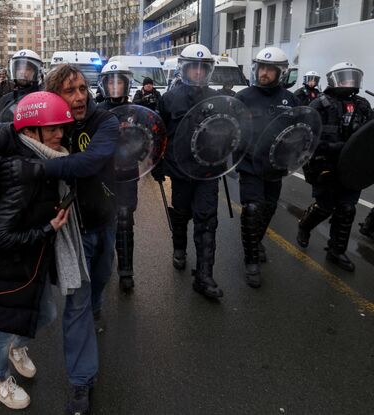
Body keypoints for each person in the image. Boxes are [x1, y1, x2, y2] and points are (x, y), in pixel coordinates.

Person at [0, 64, 119, 415]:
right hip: (55, 237)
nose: (78, 98)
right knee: (54, 307)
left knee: (84, 298)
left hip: (96, 225)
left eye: (82, 89)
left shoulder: (104, 121)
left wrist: (35, 168)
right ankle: (81, 384)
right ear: (50, 98)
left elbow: (89, 162)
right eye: (68, 91)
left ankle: (76, 327)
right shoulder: (33, 129)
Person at [0, 92, 75, 410]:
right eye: (52, 129)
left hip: (28, 265)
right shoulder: (23, 175)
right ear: (30, 132)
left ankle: (19, 348)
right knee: (4, 329)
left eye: (61, 128)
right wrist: (48, 229)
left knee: (46, 313)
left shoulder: (40, 161)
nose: (60, 134)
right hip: (5, 270)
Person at [152, 43, 223, 299]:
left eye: (203, 67)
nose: (198, 72)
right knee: (181, 214)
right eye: (193, 67)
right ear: (184, 68)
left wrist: (226, 154)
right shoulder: (169, 98)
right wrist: (156, 163)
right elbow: (158, 135)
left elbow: (227, 131)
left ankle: (204, 276)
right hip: (180, 170)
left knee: (207, 220)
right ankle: (179, 248)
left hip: (207, 171)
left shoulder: (217, 97)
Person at [296, 62, 373, 271]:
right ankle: (304, 226)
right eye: (344, 77)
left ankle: (336, 251)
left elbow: (369, 136)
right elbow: (307, 137)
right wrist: (335, 147)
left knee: (347, 209)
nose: (349, 81)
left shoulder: (363, 105)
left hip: (352, 168)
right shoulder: (320, 105)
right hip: (325, 165)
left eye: (352, 77)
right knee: (324, 207)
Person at [235, 47, 300, 288]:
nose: (264, 73)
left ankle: (256, 240)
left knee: (268, 208)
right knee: (252, 208)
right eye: (261, 68)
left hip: (276, 166)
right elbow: (232, 128)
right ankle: (251, 260)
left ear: (280, 73)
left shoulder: (290, 100)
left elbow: (300, 130)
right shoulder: (243, 97)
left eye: (269, 70)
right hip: (250, 165)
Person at [96, 61, 137, 292]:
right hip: (103, 175)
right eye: (110, 81)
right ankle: (103, 268)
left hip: (128, 174)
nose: (114, 86)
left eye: (119, 81)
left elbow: (147, 142)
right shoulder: (97, 111)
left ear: (126, 84)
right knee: (102, 221)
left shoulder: (136, 110)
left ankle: (126, 271)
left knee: (124, 220)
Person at [0, 49, 43, 114]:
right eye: (18, 69)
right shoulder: (5, 100)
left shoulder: (43, 99)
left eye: (28, 69)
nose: (22, 72)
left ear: (36, 72)